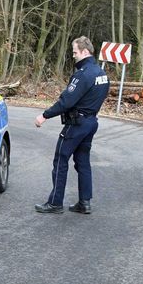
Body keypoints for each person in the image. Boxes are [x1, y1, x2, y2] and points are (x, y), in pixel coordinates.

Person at [34, 36, 110, 214]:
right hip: (91, 122)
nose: (73, 55)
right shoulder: (102, 74)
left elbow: (66, 101)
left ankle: (55, 203)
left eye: (75, 52)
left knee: (61, 159)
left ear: (85, 51)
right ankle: (85, 203)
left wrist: (44, 116)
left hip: (77, 124)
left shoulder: (83, 74)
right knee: (83, 161)